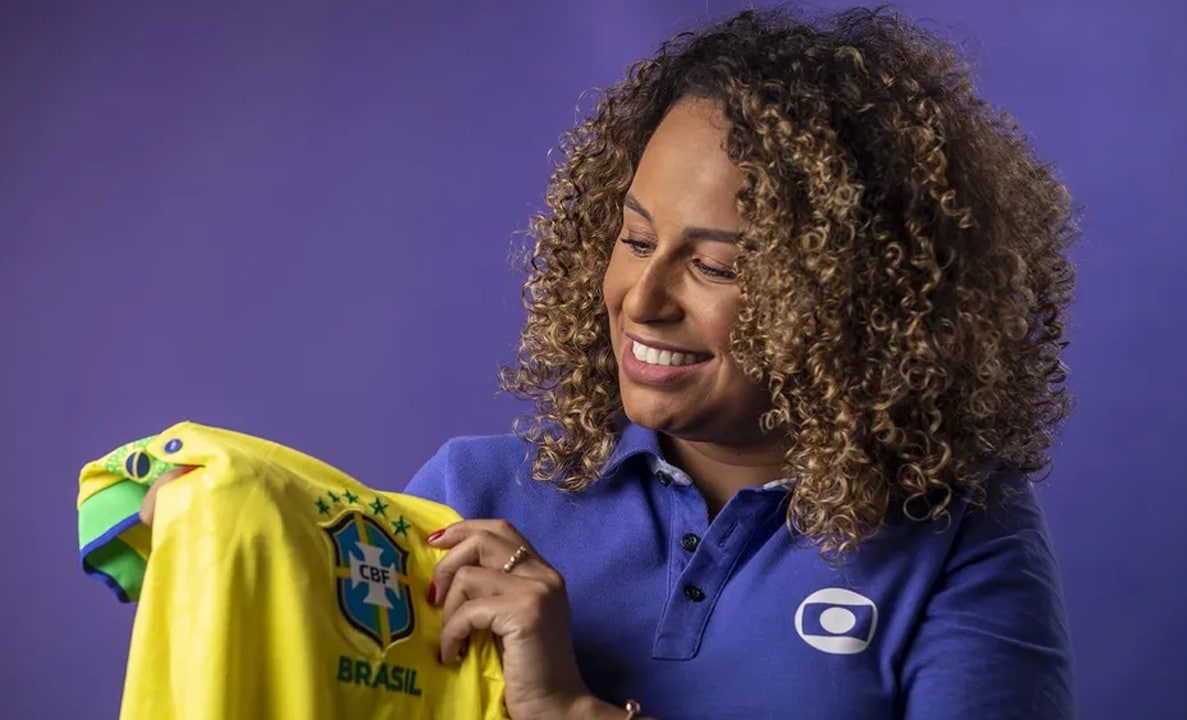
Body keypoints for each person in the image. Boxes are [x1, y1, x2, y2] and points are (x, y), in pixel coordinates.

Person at [145, 6, 1078, 719]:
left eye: (713, 265)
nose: (643, 298)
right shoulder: (474, 501)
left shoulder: (959, 534)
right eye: (634, 239)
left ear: (855, 298)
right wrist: (226, 534)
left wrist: (572, 708)